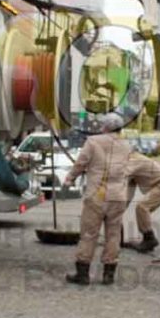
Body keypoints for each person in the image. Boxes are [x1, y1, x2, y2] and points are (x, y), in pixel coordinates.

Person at [63, 113, 134, 286]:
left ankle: (83, 273)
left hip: (97, 194)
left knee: (89, 233)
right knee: (113, 234)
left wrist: (70, 178)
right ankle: (108, 274)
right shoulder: (127, 145)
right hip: (118, 196)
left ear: (106, 127)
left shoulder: (93, 142)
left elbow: (81, 163)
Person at [124, 152, 160, 253]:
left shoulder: (134, 160)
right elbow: (129, 192)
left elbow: (120, 175)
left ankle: (150, 239)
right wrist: (119, 209)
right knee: (142, 209)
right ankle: (148, 240)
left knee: (142, 207)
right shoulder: (131, 165)